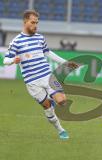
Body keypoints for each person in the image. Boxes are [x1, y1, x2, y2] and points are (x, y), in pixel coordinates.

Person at [3, 10, 78, 139]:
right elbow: (5, 60)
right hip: (32, 82)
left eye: (37, 23)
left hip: (48, 76)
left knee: (62, 101)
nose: (35, 25)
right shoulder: (16, 42)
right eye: (33, 22)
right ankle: (60, 130)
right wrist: (12, 61)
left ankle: (52, 99)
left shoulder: (40, 37)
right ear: (25, 22)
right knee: (48, 108)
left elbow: (48, 53)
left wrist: (65, 63)